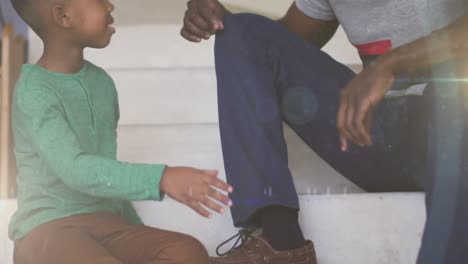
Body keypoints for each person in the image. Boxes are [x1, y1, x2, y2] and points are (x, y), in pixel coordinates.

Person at [181, 0, 468, 263]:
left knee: (450, 92)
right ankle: (281, 242)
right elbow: (278, 46)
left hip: (454, 130)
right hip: (380, 137)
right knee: (244, 32)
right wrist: (226, 28)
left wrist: (391, 64)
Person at [8, 0, 233, 263]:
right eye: (99, 0)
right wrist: (162, 178)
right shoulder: (33, 92)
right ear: (63, 15)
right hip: (47, 230)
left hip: (106, 223)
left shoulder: (102, 83)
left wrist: (135, 231)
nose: (111, 6)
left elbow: (105, 167)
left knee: (187, 251)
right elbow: (76, 170)